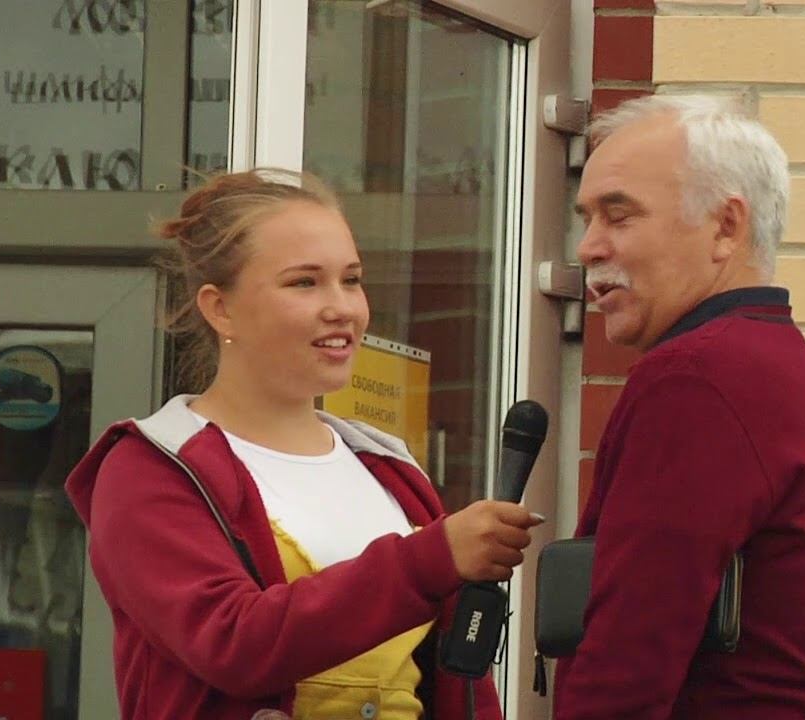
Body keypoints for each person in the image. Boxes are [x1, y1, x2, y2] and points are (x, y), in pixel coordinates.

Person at [65, 168, 540, 720]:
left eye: (352, 280)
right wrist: (431, 558)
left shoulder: (389, 469)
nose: (342, 307)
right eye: (304, 283)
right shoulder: (150, 469)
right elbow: (232, 643)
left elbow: (464, 688)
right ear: (220, 308)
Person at [553, 95, 805, 718]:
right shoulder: (804, 381)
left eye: (618, 215)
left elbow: (629, 659)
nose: (588, 247)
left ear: (726, 227)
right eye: (586, 219)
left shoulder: (696, 377)